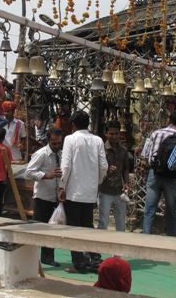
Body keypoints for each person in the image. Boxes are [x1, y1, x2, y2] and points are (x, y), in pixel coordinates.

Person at [58, 110, 108, 273]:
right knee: (87, 225)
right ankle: (95, 259)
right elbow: (103, 166)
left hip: (73, 190)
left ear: (73, 125)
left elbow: (65, 166)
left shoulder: (70, 139)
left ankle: (79, 263)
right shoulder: (98, 140)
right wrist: (98, 182)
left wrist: (62, 187)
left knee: (74, 228)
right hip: (90, 191)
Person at [141, 111, 176, 236]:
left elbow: (145, 154)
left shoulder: (156, 133)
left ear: (169, 120)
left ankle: (146, 236)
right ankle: (171, 238)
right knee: (171, 210)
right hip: (172, 177)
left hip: (154, 174)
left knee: (150, 208)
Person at [25, 127, 63, 267]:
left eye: (59, 143)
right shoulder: (41, 154)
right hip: (42, 197)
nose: (57, 146)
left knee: (51, 229)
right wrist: (46, 175)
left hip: (56, 197)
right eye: (54, 143)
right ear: (48, 140)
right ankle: (31, 257)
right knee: (38, 228)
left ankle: (48, 257)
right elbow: (29, 172)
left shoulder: (62, 154)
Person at [98, 120, 130, 232]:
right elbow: (96, 169)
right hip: (104, 191)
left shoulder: (123, 150)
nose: (114, 136)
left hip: (119, 192)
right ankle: (98, 249)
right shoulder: (101, 149)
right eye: (111, 134)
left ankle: (119, 249)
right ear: (106, 134)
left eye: (117, 134)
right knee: (103, 223)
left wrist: (126, 183)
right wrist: (106, 171)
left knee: (121, 224)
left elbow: (126, 168)